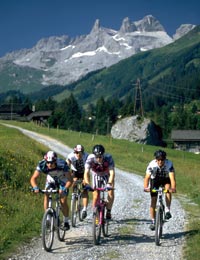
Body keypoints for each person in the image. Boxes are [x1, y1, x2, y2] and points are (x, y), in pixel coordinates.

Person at [30, 150, 72, 230]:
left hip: (63, 180)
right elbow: (33, 178)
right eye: (48, 162)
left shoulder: (62, 164)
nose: (49, 164)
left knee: (63, 201)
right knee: (46, 193)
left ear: (55, 161)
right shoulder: (42, 164)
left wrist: (64, 188)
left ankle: (66, 221)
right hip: (51, 180)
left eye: (51, 162)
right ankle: (48, 217)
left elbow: (70, 180)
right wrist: (35, 187)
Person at [144, 150, 176, 230]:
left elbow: (172, 178)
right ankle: (153, 221)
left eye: (162, 159)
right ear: (156, 159)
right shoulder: (152, 164)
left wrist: (173, 188)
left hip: (165, 179)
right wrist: (146, 187)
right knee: (153, 200)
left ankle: (167, 210)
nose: (160, 161)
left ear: (165, 159)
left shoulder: (169, 164)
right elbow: (147, 177)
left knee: (167, 189)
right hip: (155, 180)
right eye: (158, 159)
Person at [84, 144, 115, 219]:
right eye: (96, 157)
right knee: (95, 195)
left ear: (103, 155)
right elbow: (86, 172)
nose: (98, 159)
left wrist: (109, 183)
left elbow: (112, 172)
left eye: (100, 157)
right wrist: (87, 184)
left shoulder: (108, 158)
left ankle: (108, 211)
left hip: (106, 174)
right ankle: (95, 215)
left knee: (110, 193)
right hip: (96, 175)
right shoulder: (90, 158)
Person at [66, 144, 89, 219]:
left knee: (85, 188)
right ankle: (74, 196)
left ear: (83, 152)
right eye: (76, 153)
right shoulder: (71, 156)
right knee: (73, 182)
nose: (78, 154)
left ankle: (84, 209)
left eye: (80, 153)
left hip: (84, 172)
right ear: (74, 152)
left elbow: (88, 168)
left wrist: (85, 180)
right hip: (75, 172)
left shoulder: (86, 156)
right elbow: (67, 166)